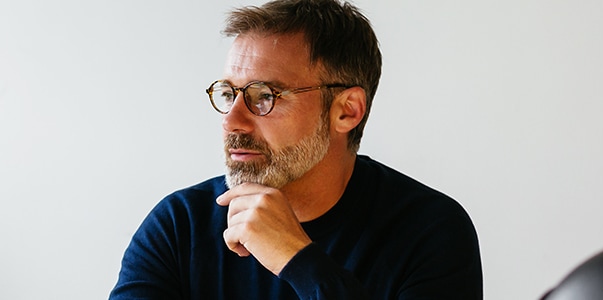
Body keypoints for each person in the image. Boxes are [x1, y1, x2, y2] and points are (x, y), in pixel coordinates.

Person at [109, 0, 482, 299]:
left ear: (346, 111)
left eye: (264, 96)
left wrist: (299, 262)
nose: (231, 121)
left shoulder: (431, 231)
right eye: (228, 94)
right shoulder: (179, 225)